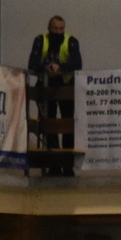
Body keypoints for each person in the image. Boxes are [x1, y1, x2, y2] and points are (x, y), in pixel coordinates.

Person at [27, 15, 82, 173]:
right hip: (46, 88)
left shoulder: (71, 41)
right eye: (55, 28)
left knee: (67, 125)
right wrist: (46, 68)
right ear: (49, 28)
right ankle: (53, 165)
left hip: (66, 87)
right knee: (49, 125)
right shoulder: (40, 40)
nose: (58, 32)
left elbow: (77, 63)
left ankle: (68, 166)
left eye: (61, 29)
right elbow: (32, 62)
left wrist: (60, 67)